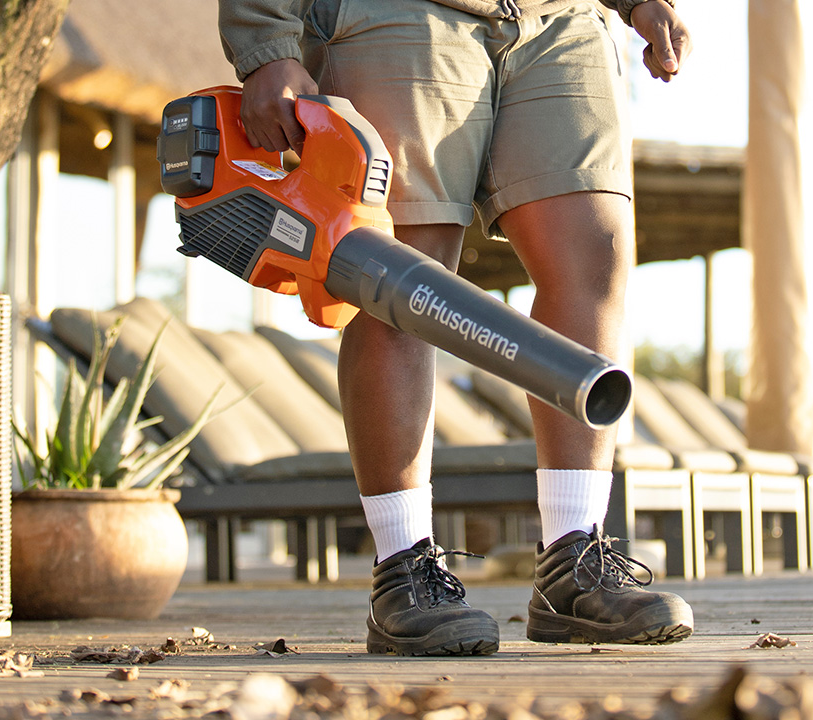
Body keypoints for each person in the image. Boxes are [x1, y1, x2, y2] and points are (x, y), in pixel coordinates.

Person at [218, 0, 694, 656]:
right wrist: (266, 43)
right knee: (403, 270)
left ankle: (574, 566)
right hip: (399, 14)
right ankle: (405, 568)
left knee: (596, 253)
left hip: (561, 18)